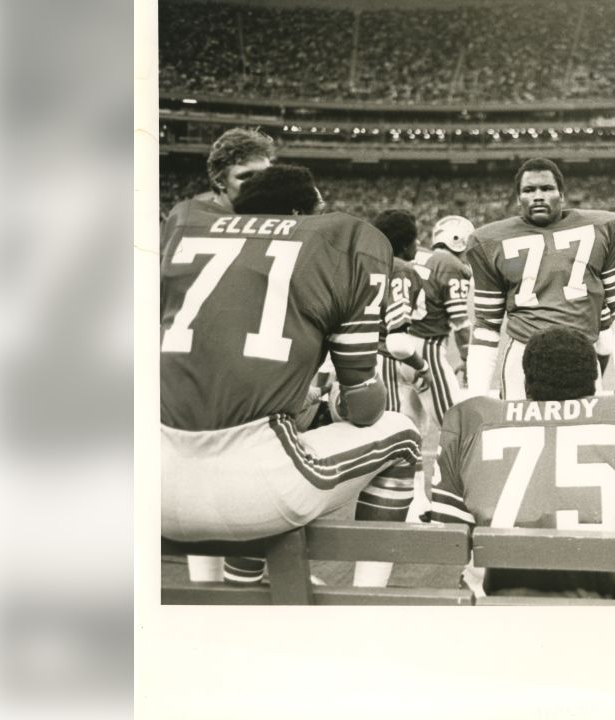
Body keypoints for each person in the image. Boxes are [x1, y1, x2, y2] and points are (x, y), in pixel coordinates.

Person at [160, 164, 421, 588]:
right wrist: (340, 395)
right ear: (302, 214)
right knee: (402, 436)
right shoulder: (341, 249)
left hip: (150, 483)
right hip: (253, 492)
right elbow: (366, 410)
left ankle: (215, 587)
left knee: (257, 428)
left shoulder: (184, 229)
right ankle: (369, 600)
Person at [429, 328, 615, 601]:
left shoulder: (469, 421)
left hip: (501, 609)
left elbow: (446, 539)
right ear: (593, 382)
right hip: (608, 615)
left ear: (526, 383)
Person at [464, 158, 615, 399]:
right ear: (518, 199)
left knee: (584, 435)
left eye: (546, 188)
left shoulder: (606, 227)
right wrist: (476, 396)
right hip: (523, 356)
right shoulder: (488, 241)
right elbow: (486, 325)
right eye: (528, 190)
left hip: (581, 356)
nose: (538, 196)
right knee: (521, 435)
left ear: (562, 195)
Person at [161, 127, 275, 251]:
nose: (259, 183)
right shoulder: (184, 223)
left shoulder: (279, 218)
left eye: (265, 175)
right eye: (246, 176)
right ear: (219, 181)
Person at [409, 215, 475, 427]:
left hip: (399, 348)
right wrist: (467, 358)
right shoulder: (452, 265)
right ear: (459, 240)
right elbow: (460, 323)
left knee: (408, 427)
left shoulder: (418, 257)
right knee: (455, 424)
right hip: (427, 347)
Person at [372, 209, 433, 420]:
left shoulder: (361, 263)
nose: (418, 244)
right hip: (383, 361)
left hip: (351, 360)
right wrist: (423, 367)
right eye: (415, 239)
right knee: (388, 434)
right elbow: (397, 342)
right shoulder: (402, 270)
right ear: (406, 243)